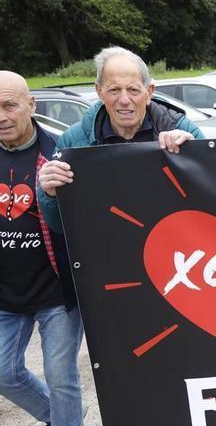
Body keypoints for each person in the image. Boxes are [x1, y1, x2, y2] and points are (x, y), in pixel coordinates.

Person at [38, 47, 204, 232]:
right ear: (100, 92)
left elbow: (213, 200)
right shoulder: (73, 141)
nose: (124, 100)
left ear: (149, 92)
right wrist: (50, 194)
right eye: (114, 90)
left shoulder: (183, 131)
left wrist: (195, 154)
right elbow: (60, 226)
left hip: (170, 251)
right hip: (107, 253)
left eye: (133, 90)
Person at [0, 71, 84, 426]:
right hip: (6, 295)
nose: (1, 116)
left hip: (56, 293)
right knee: (4, 373)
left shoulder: (61, 152)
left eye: (9, 105)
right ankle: (64, 417)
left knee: (61, 378)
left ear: (31, 105)